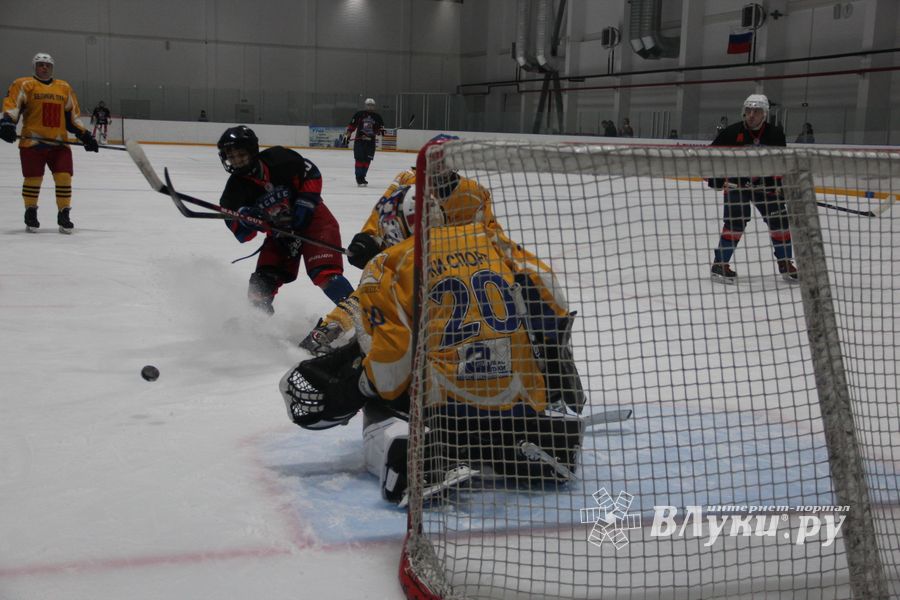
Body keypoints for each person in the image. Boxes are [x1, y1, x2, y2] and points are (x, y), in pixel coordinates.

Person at [282, 138, 585, 505]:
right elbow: (550, 295)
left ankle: (411, 452)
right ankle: (538, 436)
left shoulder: (388, 264)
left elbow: (393, 362)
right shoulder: (490, 243)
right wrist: (553, 361)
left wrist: (359, 384)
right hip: (515, 397)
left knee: (381, 387)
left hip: (445, 410)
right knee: (521, 351)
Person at [297, 135, 497, 355]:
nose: (438, 166)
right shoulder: (407, 179)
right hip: (405, 252)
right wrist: (367, 238)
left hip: (453, 261)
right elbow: (384, 210)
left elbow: (490, 234)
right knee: (374, 285)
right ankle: (330, 328)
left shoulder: (475, 194)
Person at [216, 125, 354, 314]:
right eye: (231, 157)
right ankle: (255, 326)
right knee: (261, 283)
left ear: (252, 151)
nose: (236, 161)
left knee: (324, 274)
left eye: (240, 155)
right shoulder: (233, 192)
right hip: (280, 234)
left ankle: (361, 316)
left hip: (315, 221)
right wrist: (246, 220)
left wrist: (305, 203)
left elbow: (311, 173)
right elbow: (241, 234)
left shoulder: (279, 159)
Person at [1, 52, 98, 234]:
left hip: (59, 143)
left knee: (64, 178)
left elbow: (72, 118)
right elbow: (12, 106)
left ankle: (64, 213)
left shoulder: (64, 88)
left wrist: (85, 136)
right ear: (35, 67)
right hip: (32, 142)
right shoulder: (23, 84)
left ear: (52, 67)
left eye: (47, 65)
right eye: (40, 64)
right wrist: (7, 123)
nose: (44, 67)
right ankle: (30, 211)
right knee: (33, 179)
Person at [708, 93, 798, 283]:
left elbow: (780, 164)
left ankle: (785, 263)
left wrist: (778, 184)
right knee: (736, 222)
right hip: (736, 184)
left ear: (764, 114)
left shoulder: (775, 134)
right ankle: (719, 264)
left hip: (764, 186)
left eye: (756, 111)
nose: (751, 115)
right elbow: (709, 157)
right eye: (748, 110)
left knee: (779, 221)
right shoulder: (731, 132)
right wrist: (714, 179)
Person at [344, 98, 385, 186]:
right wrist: (347, 136)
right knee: (359, 159)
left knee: (367, 160)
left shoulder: (378, 117)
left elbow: (380, 131)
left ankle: (363, 177)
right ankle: (359, 178)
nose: (370, 107)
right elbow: (351, 126)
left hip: (370, 142)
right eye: (368, 105)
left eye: (372, 105)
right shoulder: (359, 114)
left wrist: (381, 131)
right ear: (365, 105)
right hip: (360, 141)